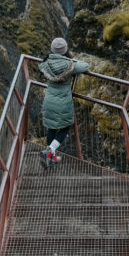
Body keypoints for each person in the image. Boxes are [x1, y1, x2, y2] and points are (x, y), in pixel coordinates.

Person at [38, 38, 89, 167]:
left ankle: (50, 158)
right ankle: (50, 150)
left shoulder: (46, 62)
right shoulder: (69, 65)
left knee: (52, 127)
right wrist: (72, 60)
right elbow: (85, 66)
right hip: (63, 102)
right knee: (65, 127)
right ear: (65, 50)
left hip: (49, 100)